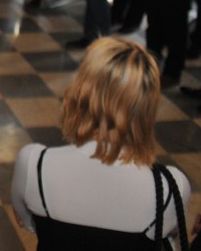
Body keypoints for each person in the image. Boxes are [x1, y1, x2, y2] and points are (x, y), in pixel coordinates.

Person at [12, 37, 191, 250]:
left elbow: (28, 223)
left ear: (80, 92)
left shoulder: (34, 164)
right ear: (147, 108)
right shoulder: (171, 187)